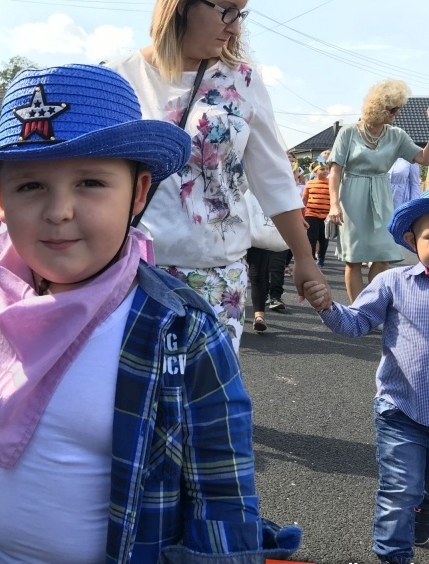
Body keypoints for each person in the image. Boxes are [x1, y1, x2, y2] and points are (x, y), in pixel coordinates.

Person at [0, 63, 300, 564]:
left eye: (91, 183)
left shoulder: (183, 334)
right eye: (30, 185)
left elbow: (222, 502)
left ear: (138, 193)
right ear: (1, 201)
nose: (59, 211)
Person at [108, 0, 330, 353]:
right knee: (133, 397)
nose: (235, 26)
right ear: (180, 7)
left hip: (218, 276)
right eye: (226, 9)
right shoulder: (118, 78)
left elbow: (273, 177)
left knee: (206, 401)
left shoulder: (243, 80)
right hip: (129, 271)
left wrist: (304, 258)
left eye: (241, 13)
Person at [303, 189, 429, 564]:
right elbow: (356, 323)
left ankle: (420, 508)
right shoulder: (393, 282)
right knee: (399, 490)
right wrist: (326, 306)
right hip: (402, 409)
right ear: (412, 242)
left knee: (417, 490)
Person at [326, 80, 429, 303]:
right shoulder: (348, 132)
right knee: (353, 260)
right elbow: (335, 171)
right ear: (379, 107)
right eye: (393, 109)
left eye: (398, 108)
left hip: (381, 197)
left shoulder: (397, 135)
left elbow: (424, 158)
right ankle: (357, 310)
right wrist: (334, 204)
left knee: (383, 257)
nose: (397, 113)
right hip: (351, 196)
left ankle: (372, 306)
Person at [303, 161, 331, 268]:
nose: (325, 171)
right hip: (311, 214)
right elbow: (304, 199)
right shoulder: (310, 183)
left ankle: (321, 258)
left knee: (324, 240)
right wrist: (302, 215)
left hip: (326, 216)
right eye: (322, 169)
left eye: (327, 169)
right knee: (311, 238)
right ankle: (310, 259)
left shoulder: (331, 183)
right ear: (315, 171)